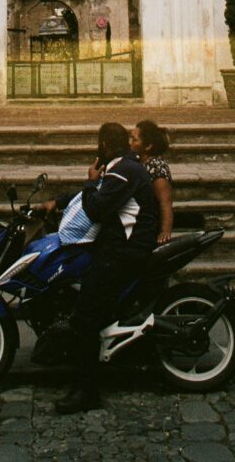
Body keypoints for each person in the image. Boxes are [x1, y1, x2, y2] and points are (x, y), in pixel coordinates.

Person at [41, 121, 157, 414]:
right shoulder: (122, 168)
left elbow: (95, 206)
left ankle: (87, 392)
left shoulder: (123, 170)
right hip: (117, 246)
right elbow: (97, 196)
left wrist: (90, 180)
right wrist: (58, 201)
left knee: (86, 316)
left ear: (104, 145)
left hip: (123, 250)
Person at [129, 121, 173, 244]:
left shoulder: (157, 167)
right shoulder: (137, 163)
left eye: (134, 140)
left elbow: (165, 201)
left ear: (147, 146)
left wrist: (165, 231)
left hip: (150, 225)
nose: (130, 143)